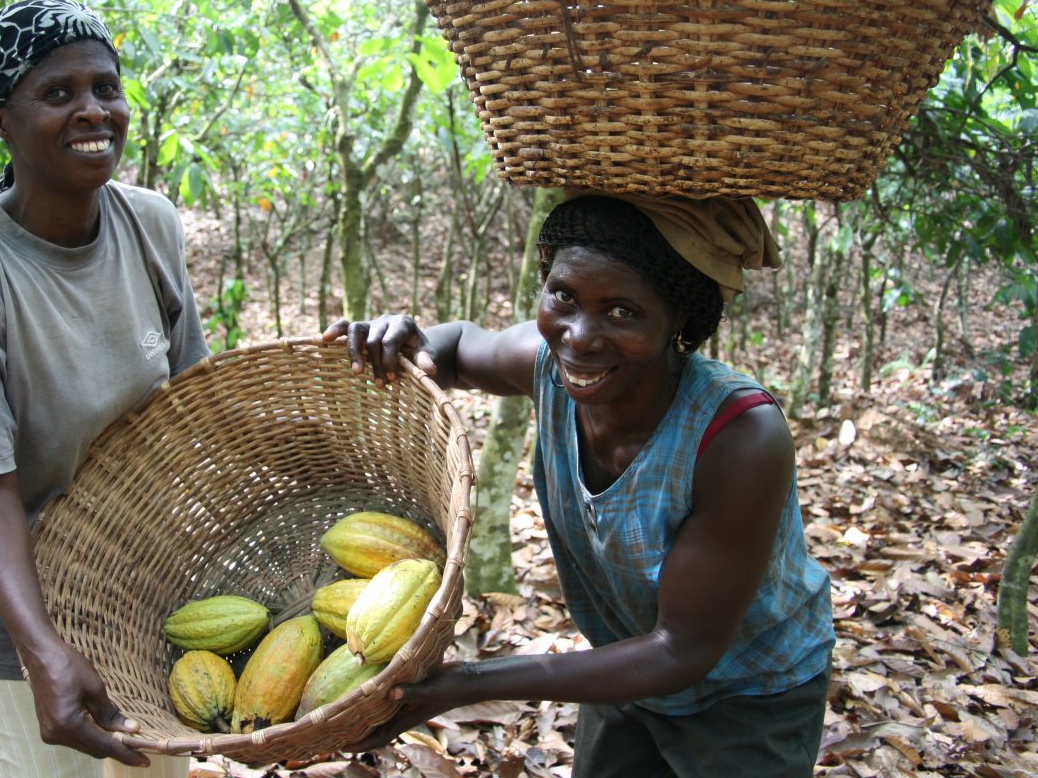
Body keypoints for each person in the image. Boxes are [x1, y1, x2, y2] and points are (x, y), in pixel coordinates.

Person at [324, 193, 834, 777]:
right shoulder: (546, 363)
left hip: (748, 694)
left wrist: (465, 683)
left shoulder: (739, 437)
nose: (579, 336)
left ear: (680, 323)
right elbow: (461, 347)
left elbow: (681, 650)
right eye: (563, 296)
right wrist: (411, 345)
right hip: (622, 669)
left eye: (621, 312)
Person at [0, 0, 208, 777]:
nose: (93, 111)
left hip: (135, 578)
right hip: (16, 609)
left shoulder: (150, 224)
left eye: (105, 87)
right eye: (58, 94)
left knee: (157, 769)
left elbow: (194, 403)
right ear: (0, 118)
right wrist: (43, 653)